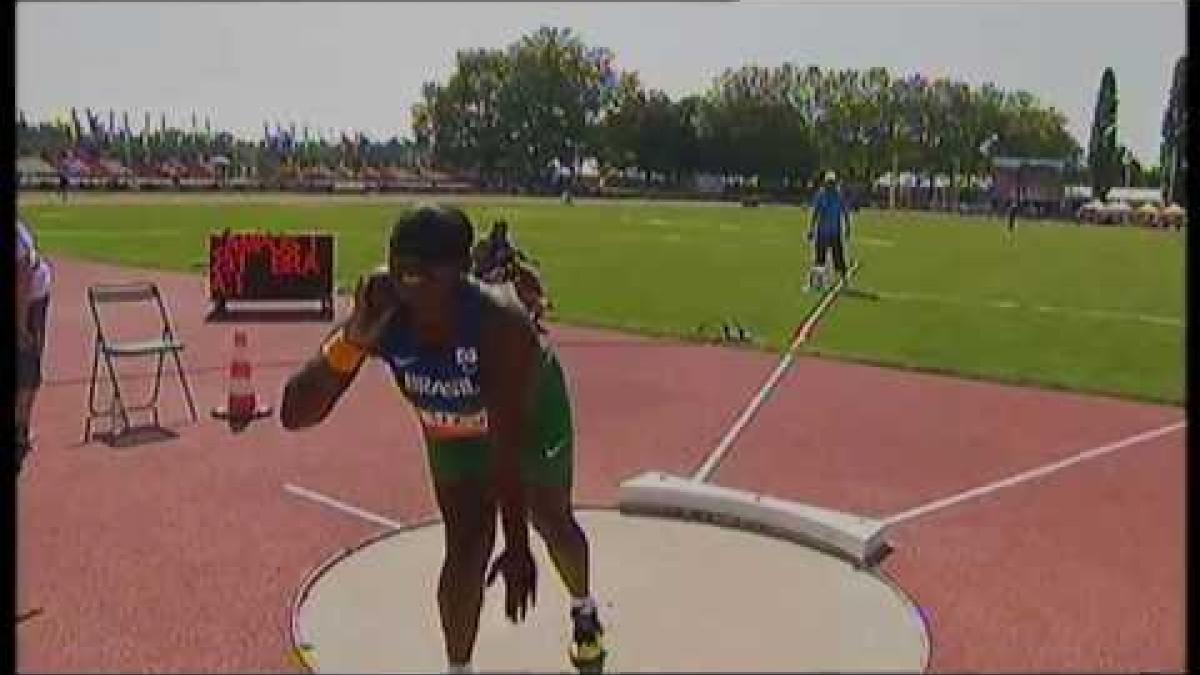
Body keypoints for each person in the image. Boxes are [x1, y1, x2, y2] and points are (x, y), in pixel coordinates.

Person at [280, 205, 605, 674]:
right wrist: (352, 339)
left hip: (528, 418)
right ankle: (459, 668)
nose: (410, 287)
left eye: (424, 276)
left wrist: (516, 547)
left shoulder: (500, 322)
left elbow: (507, 445)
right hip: (451, 425)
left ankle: (583, 609)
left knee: (550, 518)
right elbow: (296, 413)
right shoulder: (383, 309)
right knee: (467, 542)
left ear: (460, 272)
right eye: (400, 270)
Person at [17, 216, 53, 473]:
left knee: (27, 358)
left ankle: (21, 427)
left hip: (30, 296)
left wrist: (20, 326)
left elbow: (23, 277)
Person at [807, 171, 851, 291]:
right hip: (822, 233)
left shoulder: (839, 195)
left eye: (832, 182)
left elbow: (845, 213)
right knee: (819, 259)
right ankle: (819, 283)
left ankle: (844, 281)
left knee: (839, 259)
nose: (830, 185)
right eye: (829, 182)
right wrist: (811, 228)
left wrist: (848, 228)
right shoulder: (820, 195)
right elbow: (815, 213)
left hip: (835, 233)